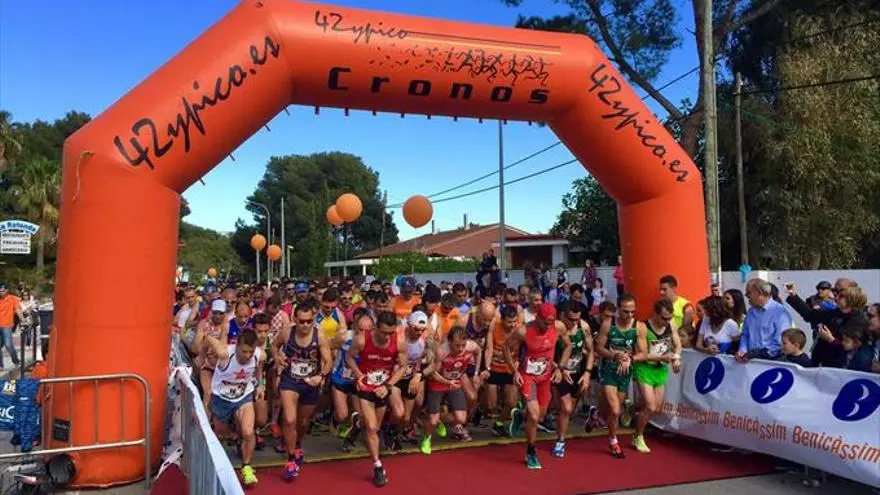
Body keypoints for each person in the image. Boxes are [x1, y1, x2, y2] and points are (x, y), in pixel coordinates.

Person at [504, 303, 571, 469]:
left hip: (545, 377)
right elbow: (505, 347)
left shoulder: (558, 327)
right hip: (528, 376)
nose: (548, 326)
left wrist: (560, 368)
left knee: (540, 416)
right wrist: (514, 371)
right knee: (534, 416)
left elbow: (568, 345)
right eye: (545, 323)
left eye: (551, 323)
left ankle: (521, 415)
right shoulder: (523, 331)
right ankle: (531, 452)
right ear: (537, 318)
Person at [347, 310, 408, 487]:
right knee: (372, 428)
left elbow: (403, 367)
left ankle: (358, 424)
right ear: (376, 328)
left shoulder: (399, 342)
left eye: (391, 333)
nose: (387, 336)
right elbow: (349, 357)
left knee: (375, 427)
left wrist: (388, 386)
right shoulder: (361, 339)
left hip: (382, 388)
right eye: (384, 332)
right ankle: (378, 466)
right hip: (366, 388)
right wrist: (359, 375)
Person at [273, 304, 333, 481]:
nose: (305, 325)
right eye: (302, 321)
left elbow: (328, 361)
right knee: (290, 419)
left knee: (303, 422)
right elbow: (274, 346)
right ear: (295, 320)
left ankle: (296, 444)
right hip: (290, 380)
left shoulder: (319, 335)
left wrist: (321, 376)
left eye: (309, 321)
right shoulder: (287, 333)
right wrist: (277, 357)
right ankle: (291, 458)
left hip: (310, 383)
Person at [205, 329, 265, 486]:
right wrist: (204, 353)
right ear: (236, 345)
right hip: (221, 398)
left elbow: (259, 367)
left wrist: (260, 384)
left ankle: (246, 467)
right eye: (244, 351)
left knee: (248, 432)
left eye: (250, 352)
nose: (247, 356)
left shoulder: (259, 355)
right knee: (221, 434)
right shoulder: (224, 353)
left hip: (243, 396)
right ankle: (216, 465)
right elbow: (208, 337)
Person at [596, 294, 644, 458]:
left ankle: (596, 415)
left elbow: (643, 352)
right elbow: (599, 348)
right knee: (616, 410)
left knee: (610, 411)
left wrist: (630, 358)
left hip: (625, 372)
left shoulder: (638, 327)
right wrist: (615, 355)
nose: (629, 315)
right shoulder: (608, 325)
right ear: (618, 310)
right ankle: (613, 442)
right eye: (625, 311)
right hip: (609, 370)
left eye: (632, 312)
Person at [632, 299, 682, 454]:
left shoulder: (671, 325)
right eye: (664, 318)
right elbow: (643, 354)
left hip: (660, 369)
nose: (667, 321)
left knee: (657, 407)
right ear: (655, 314)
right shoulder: (642, 327)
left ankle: (634, 412)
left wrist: (676, 358)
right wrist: (664, 357)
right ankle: (638, 436)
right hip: (645, 368)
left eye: (669, 318)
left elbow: (678, 345)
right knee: (651, 406)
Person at [421, 325, 481, 454]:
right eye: (457, 345)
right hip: (437, 383)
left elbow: (479, 351)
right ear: (449, 342)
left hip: (455, 383)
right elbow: (433, 373)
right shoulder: (442, 352)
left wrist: (476, 373)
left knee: (461, 418)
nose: (460, 349)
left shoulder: (471, 346)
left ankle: (439, 419)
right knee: (432, 420)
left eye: (463, 345)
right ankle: (427, 438)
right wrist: (447, 382)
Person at [551, 300, 594, 458]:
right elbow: (546, 355)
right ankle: (561, 441)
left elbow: (591, 351)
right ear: (562, 316)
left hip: (578, 372)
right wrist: (559, 368)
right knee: (565, 407)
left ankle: (560, 436)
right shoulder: (555, 329)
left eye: (577, 319)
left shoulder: (584, 327)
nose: (574, 322)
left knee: (567, 410)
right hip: (559, 372)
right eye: (571, 319)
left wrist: (587, 373)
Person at [736, 279, 792, 362]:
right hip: (749, 361)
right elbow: (745, 334)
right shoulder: (751, 311)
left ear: (759, 293)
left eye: (748, 293)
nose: (746, 296)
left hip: (770, 362)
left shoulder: (780, 313)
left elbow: (780, 343)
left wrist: (758, 354)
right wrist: (742, 351)